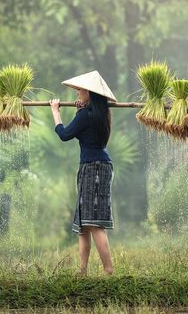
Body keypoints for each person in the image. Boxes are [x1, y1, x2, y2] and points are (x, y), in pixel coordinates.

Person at [49, 70, 117, 277]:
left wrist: (55, 111)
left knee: (94, 223)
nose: (77, 92)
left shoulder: (86, 116)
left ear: (90, 92)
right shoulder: (98, 114)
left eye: (80, 90)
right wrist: (81, 109)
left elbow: (64, 134)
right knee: (84, 223)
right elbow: (84, 125)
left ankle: (108, 270)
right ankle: (82, 271)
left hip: (94, 167)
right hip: (95, 165)